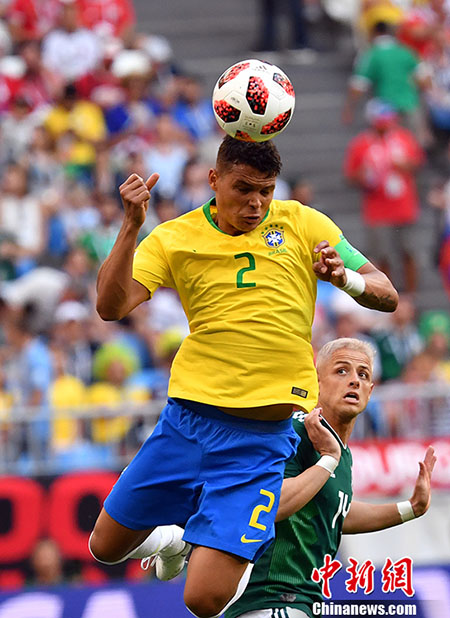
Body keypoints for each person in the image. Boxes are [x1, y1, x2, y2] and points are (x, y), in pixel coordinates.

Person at [89, 135, 398, 618]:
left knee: (204, 601)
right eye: (243, 189)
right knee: (104, 547)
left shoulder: (302, 222)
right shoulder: (175, 237)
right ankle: (174, 539)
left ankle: (191, 539)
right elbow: (110, 307)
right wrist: (130, 227)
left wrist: (345, 279)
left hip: (259, 441)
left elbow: (386, 292)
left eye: (266, 191)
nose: (256, 203)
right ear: (214, 180)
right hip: (187, 423)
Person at [226, 337, 436, 618]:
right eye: (341, 371)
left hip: (299, 603)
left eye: (363, 375)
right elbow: (267, 505)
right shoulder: (295, 433)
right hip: (271, 601)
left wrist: (411, 508)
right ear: (316, 381)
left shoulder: (339, 450)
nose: (354, 381)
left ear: (371, 391)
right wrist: (328, 460)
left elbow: (336, 513)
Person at [344, 99, 424, 293]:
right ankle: (387, 293)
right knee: (382, 256)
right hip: (378, 210)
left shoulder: (403, 138)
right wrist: (363, 176)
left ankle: (411, 294)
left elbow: (417, 162)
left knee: (409, 251)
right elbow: (351, 176)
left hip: (404, 207)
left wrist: (404, 165)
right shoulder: (361, 144)